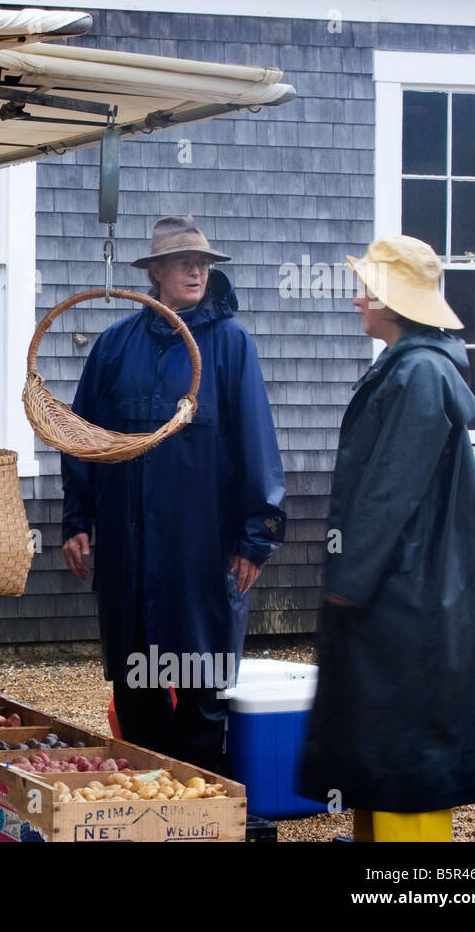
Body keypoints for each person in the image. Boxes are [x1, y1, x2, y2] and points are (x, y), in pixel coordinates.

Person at [299, 235, 475, 841]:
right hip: (402, 587)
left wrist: (349, 579)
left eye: (367, 287)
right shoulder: (411, 364)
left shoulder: (417, 371)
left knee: (404, 750)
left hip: (408, 594)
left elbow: (391, 491)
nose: (357, 299)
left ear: (392, 299)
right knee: (380, 745)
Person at [61, 215, 286, 773]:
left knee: (201, 689)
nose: (196, 270)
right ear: (155, 272)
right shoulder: (114, 347)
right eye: (183, 261)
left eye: (204, 263)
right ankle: (146, 806)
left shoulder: (232, 346)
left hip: (201, 555)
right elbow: (80, 437)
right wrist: (76, 520)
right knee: (138, 687)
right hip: (127, 556)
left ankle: (198, 813)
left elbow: (258, 445)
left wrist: (256, 539)